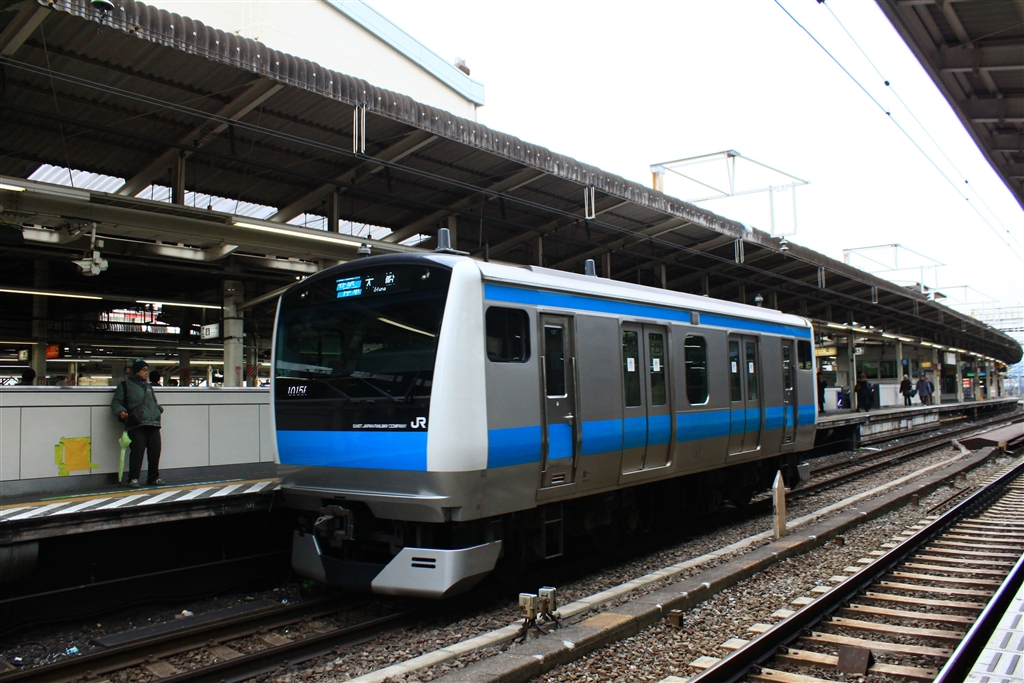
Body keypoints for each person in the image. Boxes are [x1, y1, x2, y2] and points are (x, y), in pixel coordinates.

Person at [111, 358, 165, 488]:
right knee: (137, 451)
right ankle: (133, 478)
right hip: (137, 423)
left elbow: (154, 402)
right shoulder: (125, 386)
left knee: (155, 451)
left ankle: (153, 477)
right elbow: (116, 402)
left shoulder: (148, 387)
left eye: (147, 370)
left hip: (153, 423)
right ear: (136, 371)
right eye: (143, 370)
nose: (146, 373)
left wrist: (158, 409)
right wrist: (121, 412)